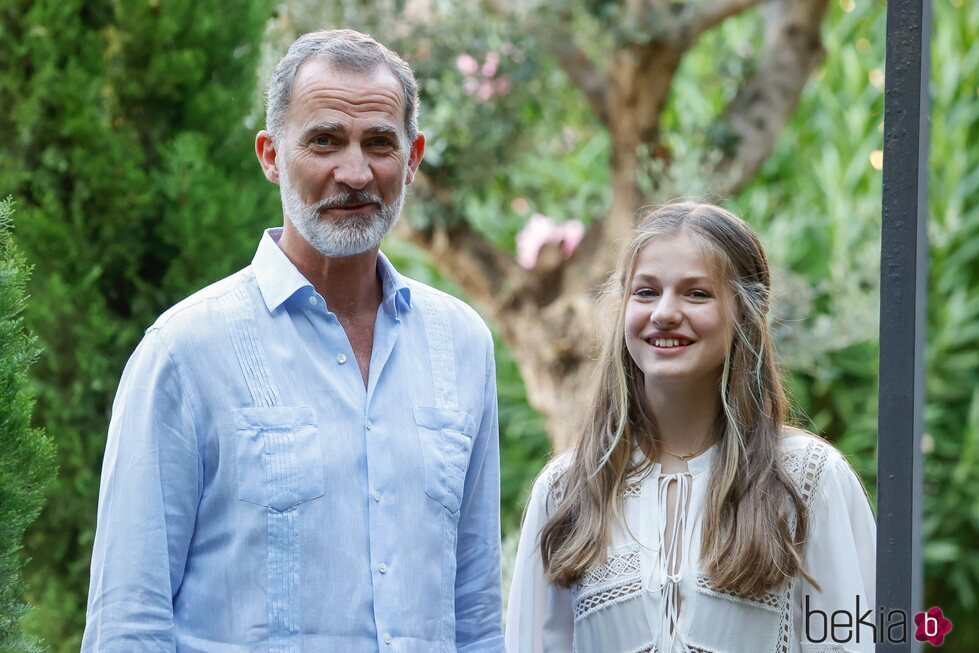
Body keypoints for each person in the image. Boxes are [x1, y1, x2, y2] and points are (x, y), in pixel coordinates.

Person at [83, 29, 505, 652]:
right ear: (271, 155)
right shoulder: (185, 351)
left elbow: (475, 616)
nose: (355, 172)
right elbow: (128, 623)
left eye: (380, 143)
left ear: (412, 158)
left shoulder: (462, 345)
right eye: (325, 141)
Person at [505, 203, 876, 653]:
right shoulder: (567, 491)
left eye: (696, 293)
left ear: (745, 313)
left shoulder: (808, 480)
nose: (664, 312)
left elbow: (851, 640)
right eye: (645, 292)